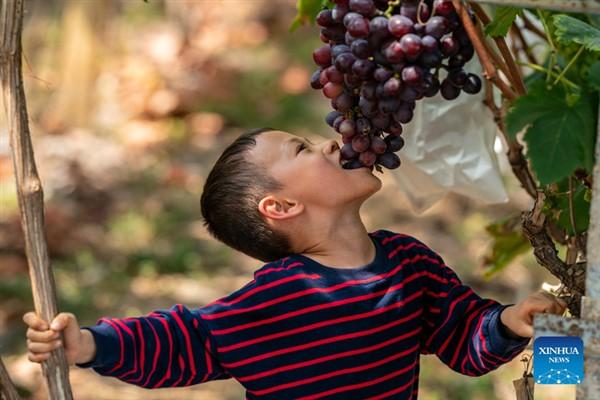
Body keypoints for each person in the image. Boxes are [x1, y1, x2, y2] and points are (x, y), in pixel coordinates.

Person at [23, 128, 567, 399]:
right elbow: (192, 340)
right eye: (303, 149)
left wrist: (508, 323)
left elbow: (461, 338)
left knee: (574, 358)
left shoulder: (408, 261)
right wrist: (90, 344)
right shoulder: (281, 297)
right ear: (281, 208)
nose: (333, 142)